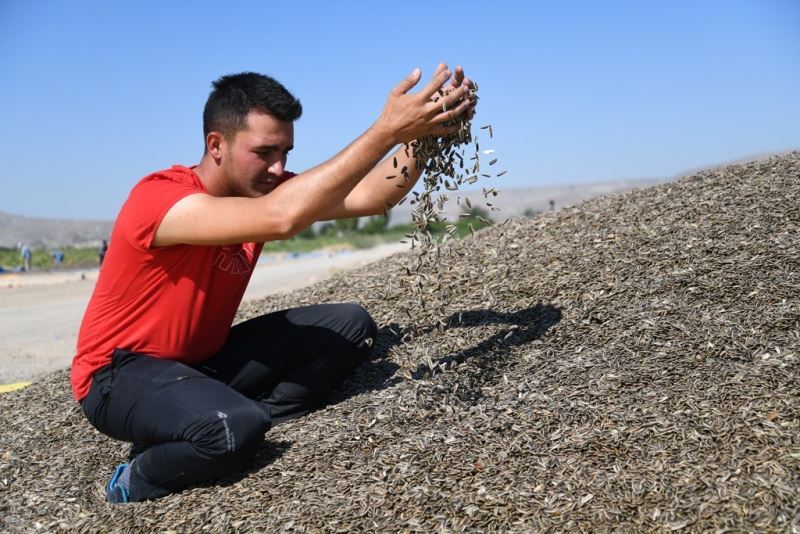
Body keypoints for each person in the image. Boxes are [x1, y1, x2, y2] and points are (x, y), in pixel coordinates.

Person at [71, 64, 477, 503]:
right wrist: (386, 130)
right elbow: (281, 218)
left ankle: (235, 415)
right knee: (232, 430)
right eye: (265, 152)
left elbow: (376, 195)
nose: (278, 166)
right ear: (216, 145)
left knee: (350, 326)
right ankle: (134, 480)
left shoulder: (264, 190)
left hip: (202, 362)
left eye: (286, 151)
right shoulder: (161, 198)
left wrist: (428, 133)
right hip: (118, 375)